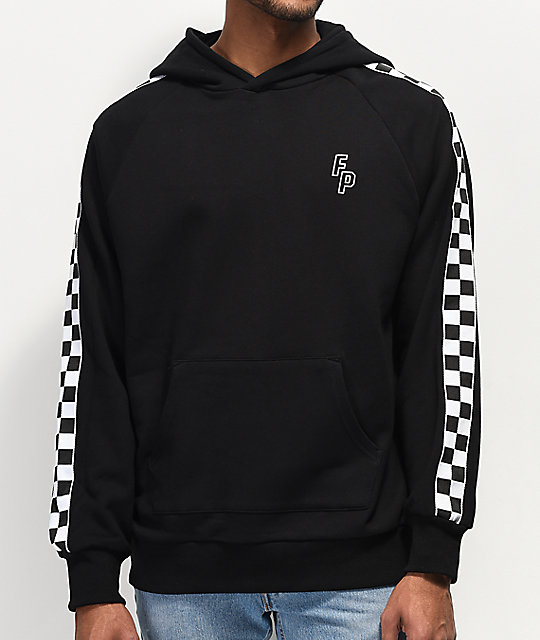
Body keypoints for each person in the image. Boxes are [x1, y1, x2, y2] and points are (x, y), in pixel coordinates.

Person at [48, 0, 481, 638]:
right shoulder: (129, 133)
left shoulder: (409, 120)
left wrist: (434, 561)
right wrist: (92, 583)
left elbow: (443, 345)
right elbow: (94, 356)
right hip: (183, 590)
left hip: (365, 589)